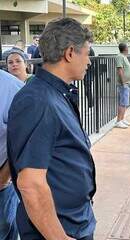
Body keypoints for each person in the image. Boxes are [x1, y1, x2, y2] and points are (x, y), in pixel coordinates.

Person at [7, 17, 96, 240]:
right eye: (86, 53)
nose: (89, 61)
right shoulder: (38, 101)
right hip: (58, 231)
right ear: (69, 53)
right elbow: (31, 185)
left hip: (74, 222)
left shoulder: (54, 94)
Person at [0, 69, 23, 240]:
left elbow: (22, 138)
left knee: (6, 226)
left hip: (2, 183)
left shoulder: (12, 87)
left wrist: (4, 176)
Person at [115, 42, 130, 129]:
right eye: (127, 47)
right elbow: (120, 70)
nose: (128, 49)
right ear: (125, 48)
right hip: (124, 84)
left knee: (124, 102)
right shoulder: (119, 57)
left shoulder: (123, 57)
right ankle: (119, 121)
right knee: (123, 102)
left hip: (127, 83)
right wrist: (123, 83)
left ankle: (122, 119)